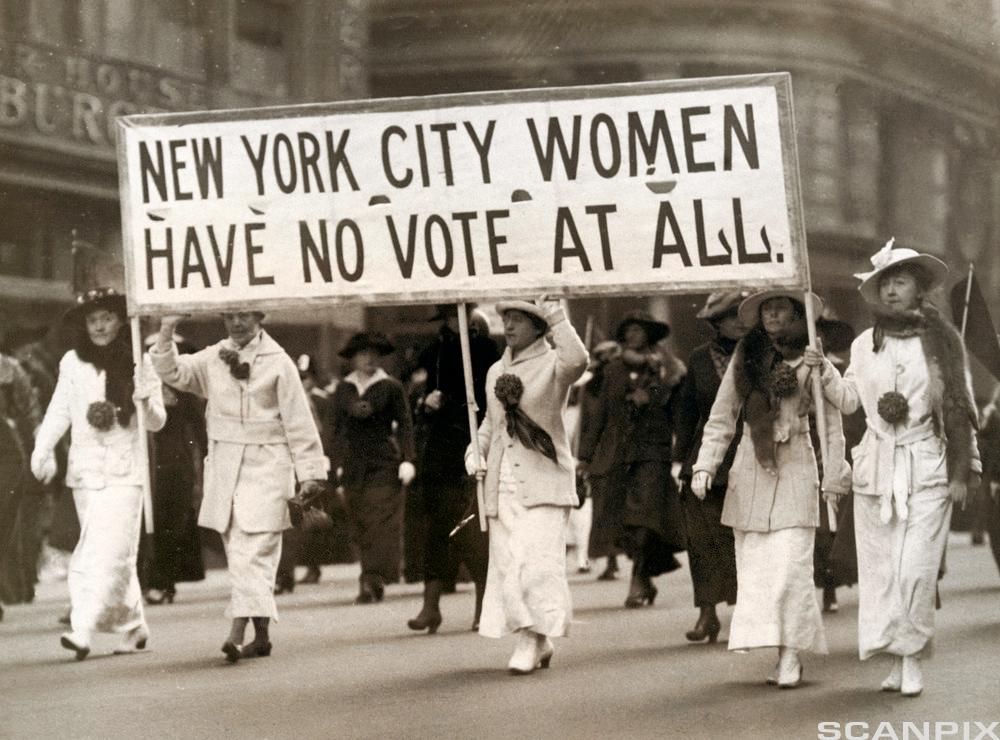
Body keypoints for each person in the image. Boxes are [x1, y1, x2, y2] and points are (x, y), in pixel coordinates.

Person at [804, 240, 981, 696]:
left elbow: (960, 406)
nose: (890, 291)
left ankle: (913, 657)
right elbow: (847, 400)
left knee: (916, 571)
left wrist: (964, 470)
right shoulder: (865, 346)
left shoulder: (943, 340)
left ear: (919, 289)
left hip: (927, 466)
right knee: (882, 573)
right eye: (884, 283)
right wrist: (823, 369)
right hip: (875, 469)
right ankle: (896, 657)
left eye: (899, 281)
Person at [692, 288, 850, 688]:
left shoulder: (813, 358)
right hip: (752, 469)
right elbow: (722, 414)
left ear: (798, 314)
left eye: (781, 308)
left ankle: (792, 654)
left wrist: (834, 475)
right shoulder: (746, 357)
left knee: (791, 567)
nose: (773, 315)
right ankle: (779, 649)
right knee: (759, 570)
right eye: (767, 309)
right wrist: (705, 465)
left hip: (797, 464)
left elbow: (835, 422)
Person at [151, 312, 327, 663]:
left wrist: (310, 473)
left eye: (244, 316)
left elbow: (299, 420)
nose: (237, 324)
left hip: (268, 465)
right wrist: (167, 329)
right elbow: (172, 372)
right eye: (230, 316)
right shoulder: (213, 357)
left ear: (260, 318)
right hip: (226, 468)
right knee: (241, 554)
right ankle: (261, 636)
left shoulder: (280, 363)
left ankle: (236, 628)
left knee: (255, 550)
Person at [31, 287, 166, 659]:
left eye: (107, 318)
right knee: (109, 552)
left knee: (103, 553)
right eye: (93, 320)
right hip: (86, 473)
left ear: (121, 321)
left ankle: (82, 627)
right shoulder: (72, 363)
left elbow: (157, 422)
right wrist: (42, 448)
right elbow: (59, 410)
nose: (100, 326)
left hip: (126, 472)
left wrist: (145, 402)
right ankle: (135, 625)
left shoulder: (139, 360)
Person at [465, 298, 587, 674]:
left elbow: (578, 360)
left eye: (519, 319)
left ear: (538, 326)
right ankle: (535, 637)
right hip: (502, 483)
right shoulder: (492, 371)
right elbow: (490, 423)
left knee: (537, 565)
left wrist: (556, 316)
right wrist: (475, 450)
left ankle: (531, 640)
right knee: (506, 566)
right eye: (507, 319)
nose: (510, 326)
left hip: (545, 478)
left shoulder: (554, 364)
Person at [578, 311, 687, 608]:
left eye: (638, 330)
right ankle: (645, 577)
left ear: (649, 335)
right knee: (619, 519)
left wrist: (686, 451)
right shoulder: (612, 370)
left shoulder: (667, 369)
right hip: (616, 454)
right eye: (628, 330)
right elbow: (598, 415)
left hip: (652, 452)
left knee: (645, 518)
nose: (632, 336)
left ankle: (637, 579)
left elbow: (677, 412)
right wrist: (584, 457)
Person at [407, 304, 498, 634]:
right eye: (444, 319)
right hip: (440, 448)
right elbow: (425, 391)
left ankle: (483, 603)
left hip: (471, 443)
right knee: (436, 526)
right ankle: (430, 605)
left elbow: (491, 401)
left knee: (473, 527)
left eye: (451, 317)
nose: (447, 324)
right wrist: (427, 402)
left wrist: (462, 405)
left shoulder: (487, 350)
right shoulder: (436, 351)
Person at [673, 291, 748, 643]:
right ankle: (707, 613)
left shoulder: (761, 354)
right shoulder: (700, 359)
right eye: (729, 316)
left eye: (740, 314)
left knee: (743, 541)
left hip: (751, 456)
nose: (736, 321)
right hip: (705, 458)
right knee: (702, 540)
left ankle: (750, 614)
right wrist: (683, 462)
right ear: (716, 322)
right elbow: (688, 412)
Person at [329, 331, 416, 604]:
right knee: (361, 523)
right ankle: (371, 576)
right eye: (362, 353)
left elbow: (405, 426)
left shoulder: (390, 387)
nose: (368, 359)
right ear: (353, 358)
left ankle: (372, 579)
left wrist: (407, 460)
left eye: (373, 353)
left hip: (383, 463)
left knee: (381, 521)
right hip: (353, 465)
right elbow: (333, 430)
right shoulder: (343, 390)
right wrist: (332, 463)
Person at [140, 334, 207, 605]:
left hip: (173, 463)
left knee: (169, 524)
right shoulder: (140, 384)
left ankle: (162, 581)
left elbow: (198, 428)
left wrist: (205, 458)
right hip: (143, 460)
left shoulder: (183, 390)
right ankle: (144, 580)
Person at [0, 340, 42, 620]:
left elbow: (31, 410)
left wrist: (43, 445)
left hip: (5, 449)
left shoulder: (8, 367)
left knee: (5, 520)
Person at [578, 339, 623, 580]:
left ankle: (614, 558)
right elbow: (588, 422)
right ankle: (611, 558)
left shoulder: (615, 382)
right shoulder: (592, 387)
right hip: (601, 455)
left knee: (611, 508)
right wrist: (584, 456)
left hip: (615, 452)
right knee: (602, 509)